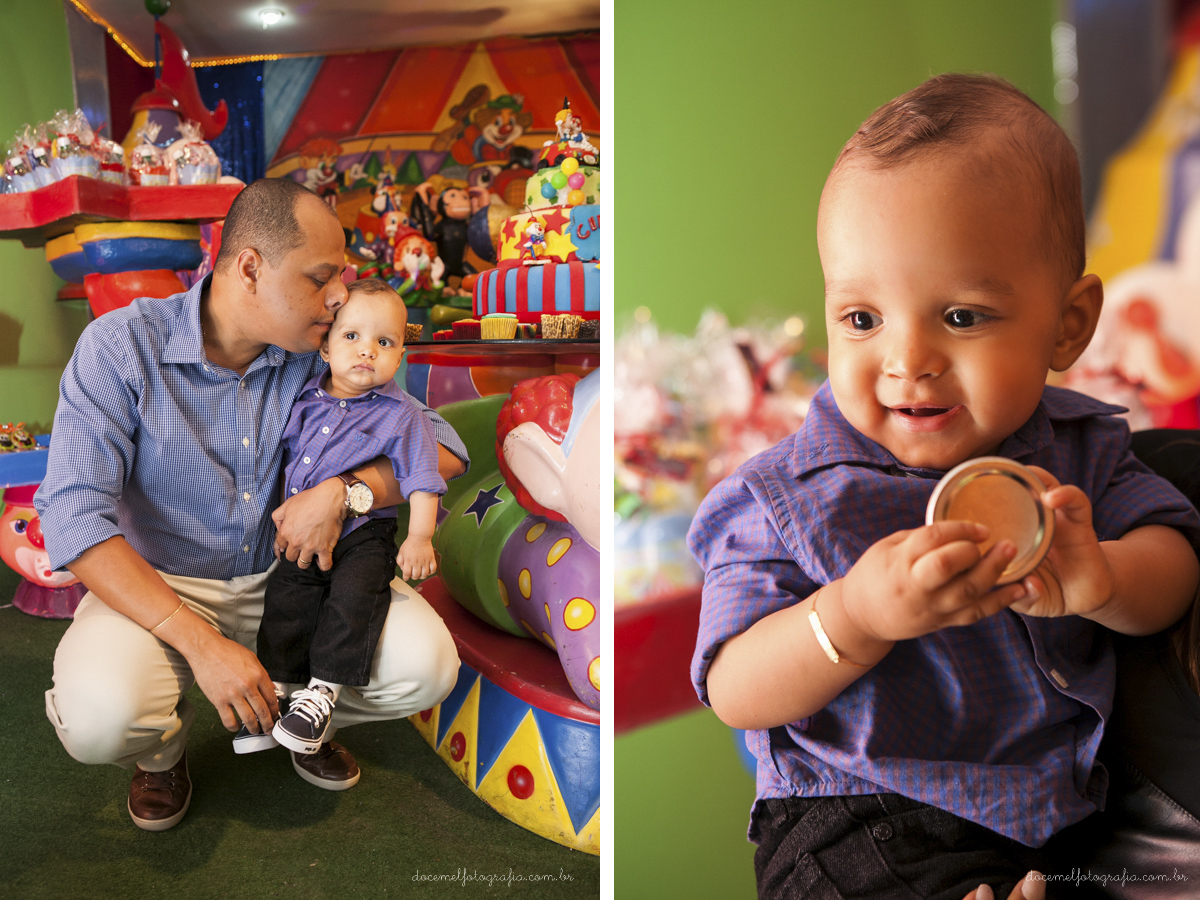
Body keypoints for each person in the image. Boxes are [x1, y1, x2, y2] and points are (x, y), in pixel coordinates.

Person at [687, 74, 1200, 900]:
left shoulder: (1082, 450)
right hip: (862, 817)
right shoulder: (787, 495)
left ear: (1068, 325)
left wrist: (1101, 578)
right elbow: (733, 687)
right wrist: (854, 615)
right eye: (862, 319)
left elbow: (1175, 569)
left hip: (1060, 819)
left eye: (961, 316)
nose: (906, 360)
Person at [35, 178, 469, 832]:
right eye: (321, 277)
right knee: (100, 717)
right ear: (249, 268)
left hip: (299, 572)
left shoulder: (328, 346)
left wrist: (346, 492)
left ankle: (301, 716)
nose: (338, 297)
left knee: (426, 666)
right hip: (164, 581)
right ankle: (160, 752)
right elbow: (72, 520)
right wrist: (203, 645)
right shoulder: (120, 348)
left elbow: (445, 448)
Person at [234, 278, 445, 757]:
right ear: (325, 348)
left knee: (352, 602)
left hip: (365, 535)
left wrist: (419, 538)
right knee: (288, 601)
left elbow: (423, 479)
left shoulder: (403, 415)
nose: (367, 351)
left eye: (384, 342)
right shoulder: (304, 399)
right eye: (352, 337)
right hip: (302, 534)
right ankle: (280, 695)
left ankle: (323, 694)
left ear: (399, 356)